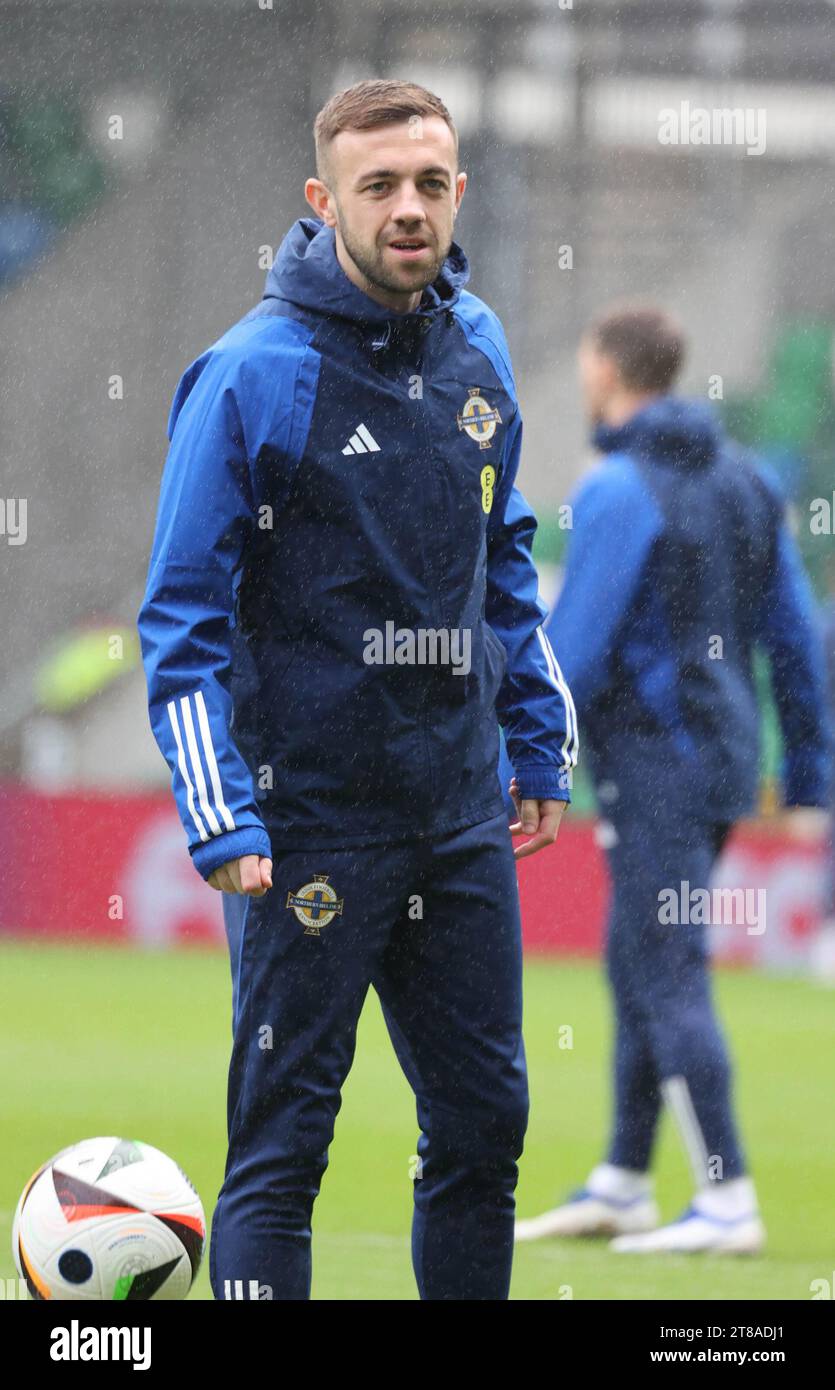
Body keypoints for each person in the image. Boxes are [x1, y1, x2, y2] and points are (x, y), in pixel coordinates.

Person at [137, 78, 577, 1301]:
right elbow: (179, 615)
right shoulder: (248, 374)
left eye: (429, 183)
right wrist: (221, 811)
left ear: (459, 193)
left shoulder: (480, 345)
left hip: (456, 814)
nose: (407, 209)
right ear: (323, 199)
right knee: (283, 1153)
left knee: (485, 1131)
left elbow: (505, 555)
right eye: (378, 186)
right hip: (309, 825)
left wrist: (534, 747)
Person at [514, 303, 830, 1254]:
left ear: (605, 368)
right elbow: (796, 641)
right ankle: (621, 1179)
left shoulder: (616, 488)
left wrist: (522, 758)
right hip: (725, 760)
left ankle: (725, 1199)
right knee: (637, 958)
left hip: (656, 763)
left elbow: (575, 644)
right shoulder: (746, 480)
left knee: (666, 970)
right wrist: (810, 777)